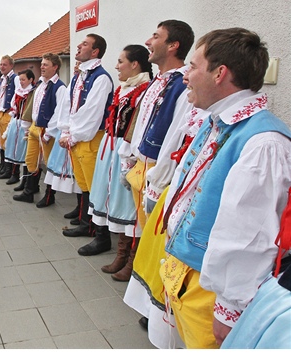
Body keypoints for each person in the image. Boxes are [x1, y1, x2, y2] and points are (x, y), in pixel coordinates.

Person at [159, 27, 291, 348]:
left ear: (220, 74)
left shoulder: (263, 143)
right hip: (192, 277)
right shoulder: (217, 120)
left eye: (193, 66)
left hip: (214, 295)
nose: (186, 75)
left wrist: (228, 310)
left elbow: (250, 235)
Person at [119, 20, 195, 347]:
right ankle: (151, 298)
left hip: (160, 173)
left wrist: (156, 177)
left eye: (157, 37)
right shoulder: (158, 82)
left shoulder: (180, 85)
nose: (149, 41)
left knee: (160, 240)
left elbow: (174, 136)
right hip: (146, 166)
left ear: (173, 45)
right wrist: (133, 155)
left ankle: (159, 306)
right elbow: (144, 124)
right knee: (148, 235)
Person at [85, 46, 152, 280]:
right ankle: (121, 254)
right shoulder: (125, 89)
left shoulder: (145, 90)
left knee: (129, 205)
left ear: (135, 64)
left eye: (121, 61)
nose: (116, 66)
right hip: (112, 146)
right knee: (112, 197)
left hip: (127, 150)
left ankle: (131, 259)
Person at [58, 34, 114, 245]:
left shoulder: (101, 78)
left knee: (96, 187)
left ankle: (101, 235)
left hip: (90, 137)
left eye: (84, 44)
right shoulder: (79, 77)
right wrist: (65, 131)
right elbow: (68, 106)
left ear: (95, 51)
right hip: (77, 137)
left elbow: (92, 113)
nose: (79, 46)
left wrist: (73, 135)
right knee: (83, 184)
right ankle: (86, 222)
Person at [13, 53, 66, 207]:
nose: (42, 67)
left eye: (45, 64)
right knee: (31, 159)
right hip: (36, 126)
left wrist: (49, 132)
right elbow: (34, 106)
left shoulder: (59, 87)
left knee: (50, 163)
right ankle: (30, 191)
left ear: (55, 67)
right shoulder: (41, 85)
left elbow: (59, 112)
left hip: (48, 129)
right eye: (42, 64)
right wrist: (29, 125)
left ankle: (50, 196)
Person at [2, 69, 35, 190]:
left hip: (26, 125)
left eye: (23, 79)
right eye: (20, 79)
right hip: (16, 122)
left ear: (30, 80)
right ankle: (15, 174)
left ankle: (26, 181)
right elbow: (13, 106)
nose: (21, 82)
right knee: (14, 150)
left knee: (25, 154)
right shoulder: (18, 91)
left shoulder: (32, 92)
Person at [0, 55, 21, 181]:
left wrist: (13, 110)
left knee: (9, 142)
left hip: (8, 113)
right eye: (1, 64)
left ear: (11, 65)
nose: (2, 67)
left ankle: (10, 170)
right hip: (0, 113)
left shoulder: (14, 79)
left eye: (5, 64)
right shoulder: (2, 79)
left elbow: (18, 94)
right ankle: (4, 166)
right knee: (2, 142)